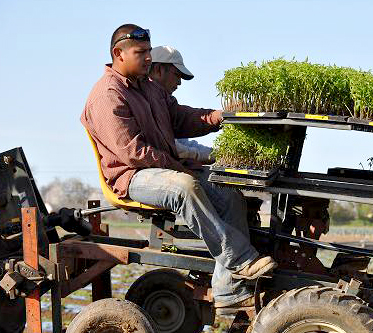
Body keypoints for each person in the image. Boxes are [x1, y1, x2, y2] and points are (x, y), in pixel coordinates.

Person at [81, 24, 277, 313]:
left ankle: (228, 291)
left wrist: (220, 117)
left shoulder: (148, 88)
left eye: (149, 51)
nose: (148, 58)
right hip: (131, 176)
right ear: (118, 54)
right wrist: (181, 167)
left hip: (161, 168)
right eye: (141, 52)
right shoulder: (107, 96)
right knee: (184, 187)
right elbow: (134, 154)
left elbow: (180, 117)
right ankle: (240, 260)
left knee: (226, 189)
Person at [149, 45, 213, 165]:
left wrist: (217, 153)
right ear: (158, 69)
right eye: (177, 75)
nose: (179, 82)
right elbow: (176, 149)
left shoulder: (165, 102)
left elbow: (183, 143)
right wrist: (212, 156)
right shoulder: (146, 99)